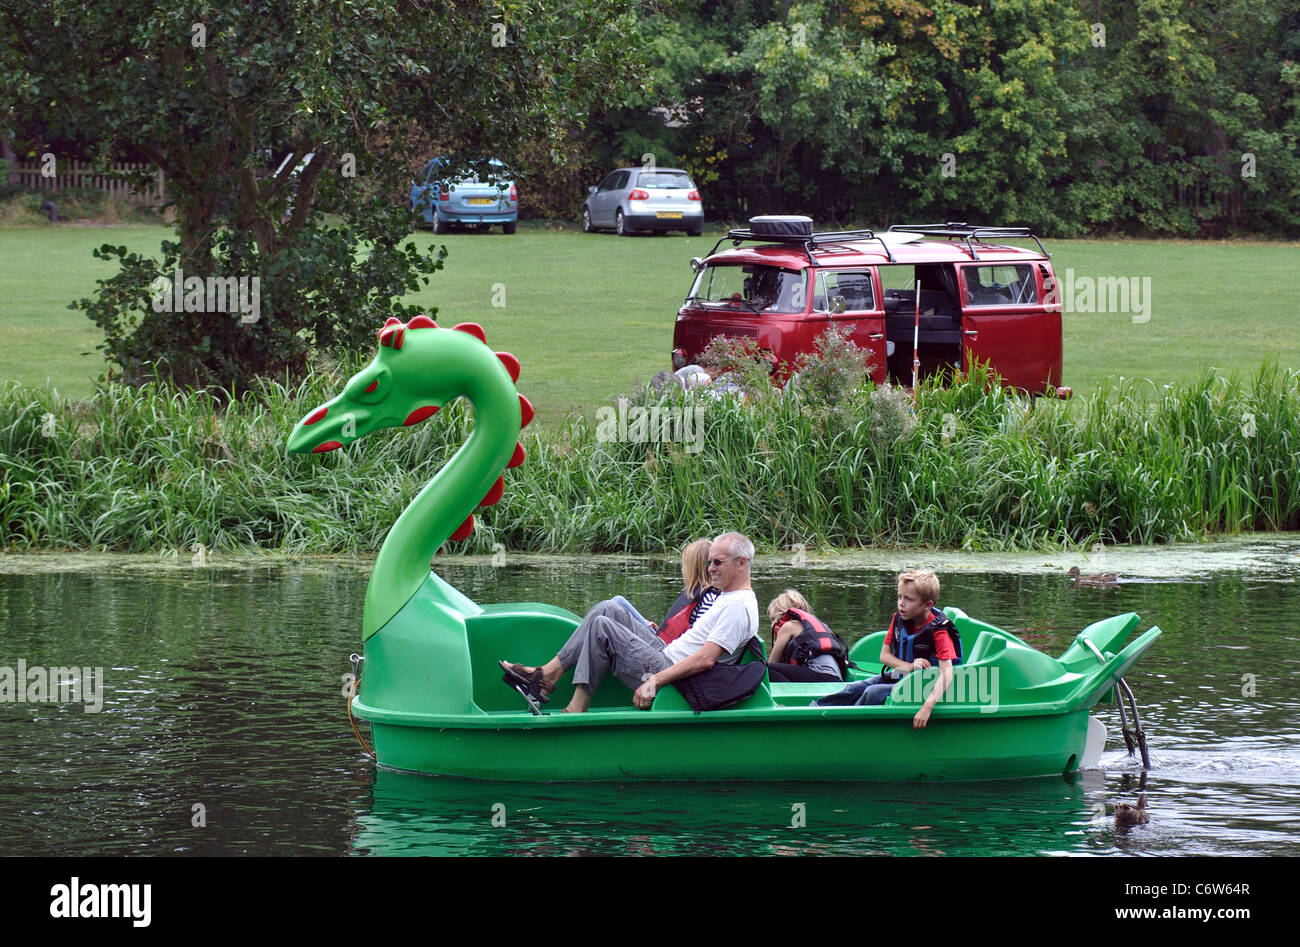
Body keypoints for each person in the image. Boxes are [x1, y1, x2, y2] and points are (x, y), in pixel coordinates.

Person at [500, 533, 760, 714]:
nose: (710, 568)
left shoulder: (738, 606)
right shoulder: (729, 597)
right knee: (608, 608)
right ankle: (546, 674)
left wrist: (653, 681)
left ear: (742, 563)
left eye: (717, 562)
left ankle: (577, 706)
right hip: (666, 654)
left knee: (603, 627)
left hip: (674, 673)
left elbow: (705, 660)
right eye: (709, 562)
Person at [813, 569, 961, 728]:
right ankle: (813, 711)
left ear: (928, 605)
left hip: (925, 683)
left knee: (873, 692)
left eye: (909, 599)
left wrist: (927, 707)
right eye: (899, 597)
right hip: (905, 673)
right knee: (858, 687)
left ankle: (848, 725)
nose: (901, 603)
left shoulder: (939, 631)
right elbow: (884, 656)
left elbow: (947, 674)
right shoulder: (899, 618)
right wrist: (910, 667)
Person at [765, 590, 847, 683]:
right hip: (836, 678)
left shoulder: (788, 626)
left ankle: (784, 696)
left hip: (820, 677)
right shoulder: (822, 625)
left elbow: (772, 662)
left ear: (781, 615)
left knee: (766, 669)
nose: (773, 624)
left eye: (773, 619)